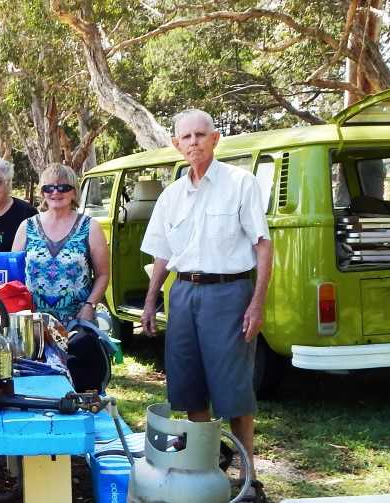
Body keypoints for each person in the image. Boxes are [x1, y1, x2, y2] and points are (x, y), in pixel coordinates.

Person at [139, 109, 272, 503]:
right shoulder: (171, 195)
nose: (194, 142)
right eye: (186, 137)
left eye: (201, 135)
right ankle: (209, 471)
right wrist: (150, 301)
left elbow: (263, 246)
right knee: (190, 388)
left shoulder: (240, 183)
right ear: (176, 144)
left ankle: (249, 479)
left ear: (215, 139)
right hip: (183, 294)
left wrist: (257, 303)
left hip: (229, 293)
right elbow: (162, 254)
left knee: (234, 390)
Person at [12, 165, 110, 392]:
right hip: (34, 326)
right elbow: (14, 274)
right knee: (35, 388)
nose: (56, 192)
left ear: (74, 192)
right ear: (42, 192)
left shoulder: (90, 227)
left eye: (63, 187)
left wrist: (90, 305)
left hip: (75, 325)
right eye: (49, 188)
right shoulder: (27, 227)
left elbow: (103, 274)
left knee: (82, 387)